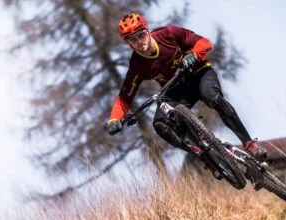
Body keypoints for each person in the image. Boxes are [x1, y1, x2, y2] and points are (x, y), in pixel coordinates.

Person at [107, 12, 268, 163]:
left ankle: (249, 144)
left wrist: (194, 54)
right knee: (160, 124)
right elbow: (125, 97)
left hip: (199, 74)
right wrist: (114, 119)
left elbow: (204, 42)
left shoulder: (168, 34)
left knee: (213, 98)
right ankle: (206, 157)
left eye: (141, 35)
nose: (139, 42)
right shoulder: (137, 65)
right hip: (176, 90)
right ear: (128, 43)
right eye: (132, 40)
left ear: (147, 32)